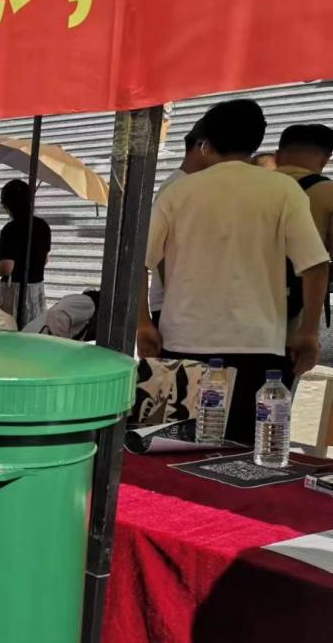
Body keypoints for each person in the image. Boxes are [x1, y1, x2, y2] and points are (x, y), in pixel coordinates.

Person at [139, 98, 330, 443]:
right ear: (257, 141)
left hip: (183, 342)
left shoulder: (178, 191)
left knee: (175, 451)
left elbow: (139, 264)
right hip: (258, 347)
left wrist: (142, 322)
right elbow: (315, 265)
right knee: (246, 456)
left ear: (206, 141)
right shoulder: (282, 190)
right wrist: (308, 331)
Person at [149, 121, 210, 327]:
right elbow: (161, 250)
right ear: (202, 147)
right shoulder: (177, 186)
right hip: (174, 305)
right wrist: (174, 295)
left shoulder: (192, 185)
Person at [275, 123, 333, 328]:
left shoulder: (250, 187)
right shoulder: (327, 191)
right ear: (325, 159)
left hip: (242, 298)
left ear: (277, 155)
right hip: (297, 300)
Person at [0, 179, 52, 326]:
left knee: (11, 332)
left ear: (7, 205)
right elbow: (44, 260)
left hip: (15, 294)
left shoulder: (10, 229)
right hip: (36, 289)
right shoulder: (43, 226)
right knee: (33, 331)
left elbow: (7, 267)